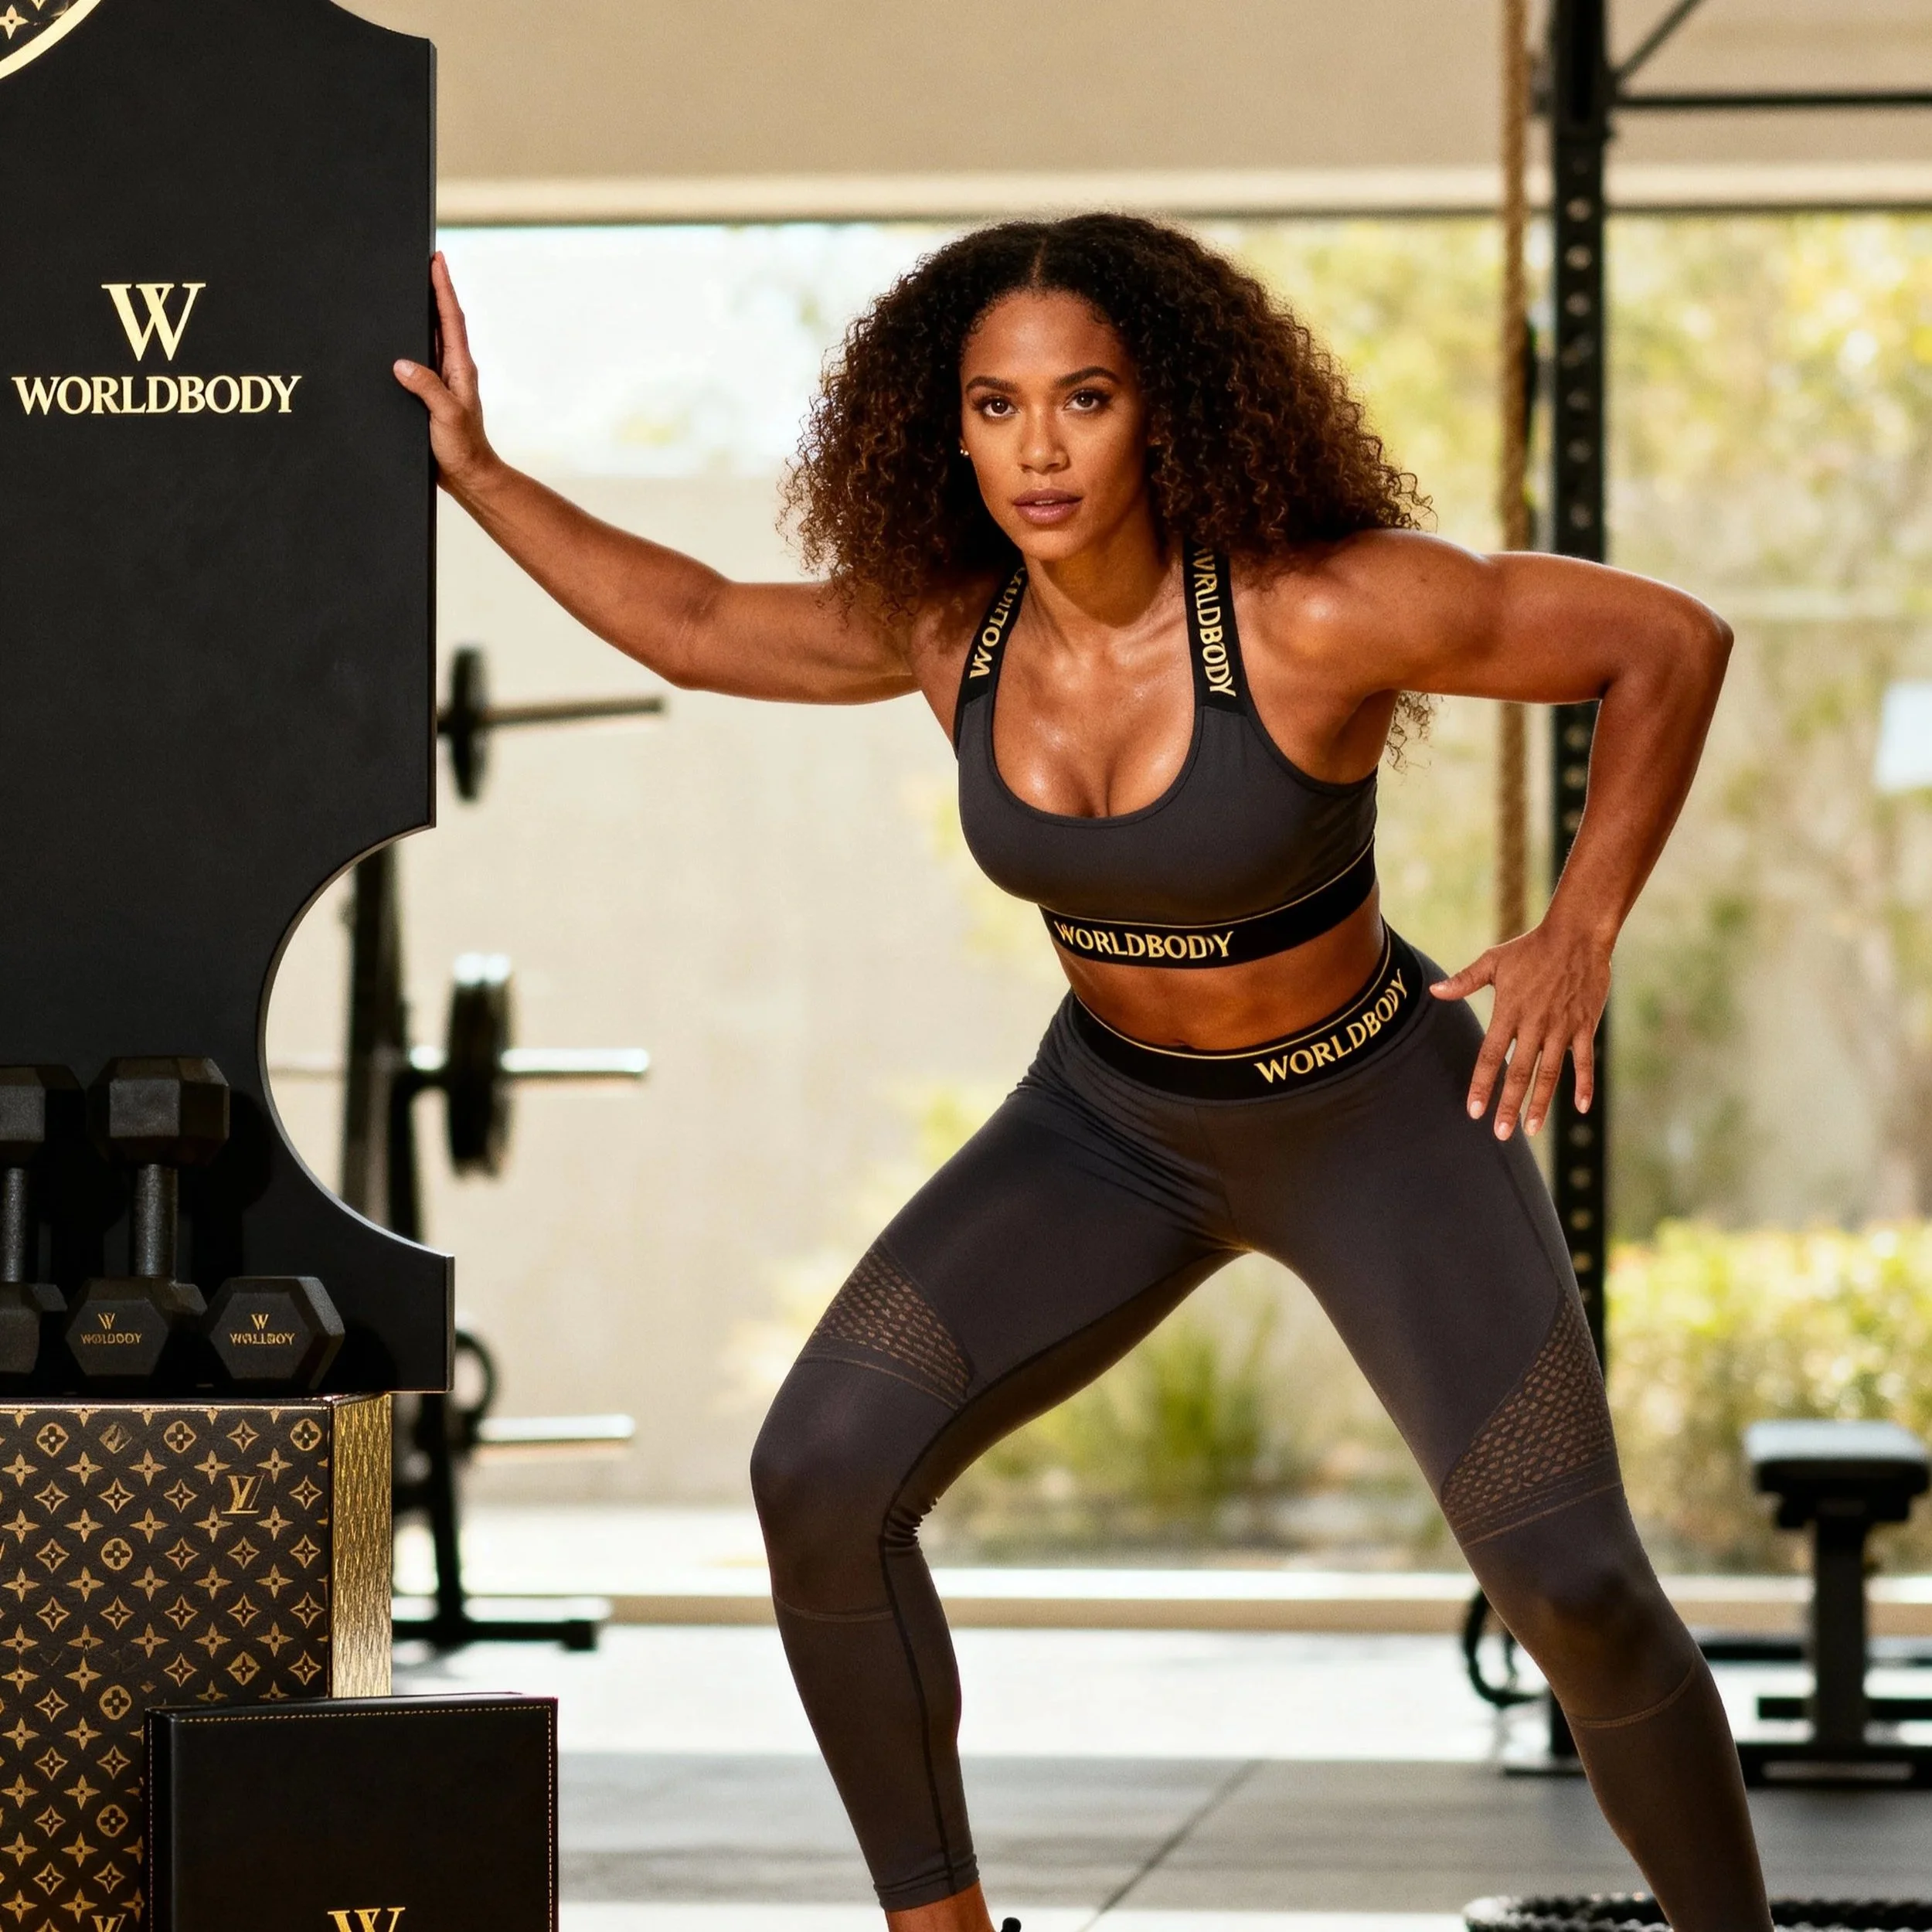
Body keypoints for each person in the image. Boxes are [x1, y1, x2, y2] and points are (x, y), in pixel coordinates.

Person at [396, 213, 1769, 1932]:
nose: (1038, 449)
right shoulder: (950, 633)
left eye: (1084, 399)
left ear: (1163, 411)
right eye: (996, 406)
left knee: (1574, 1587)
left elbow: (1666, 643)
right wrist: (478, 471)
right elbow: (692, 618)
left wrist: (1580, 926)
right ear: (948, 431)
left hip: (1370, 1115)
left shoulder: (1315, 608)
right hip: (1111, 1126)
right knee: (817, 1472)